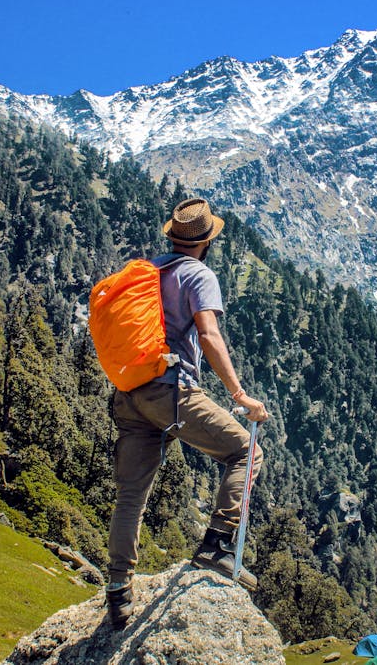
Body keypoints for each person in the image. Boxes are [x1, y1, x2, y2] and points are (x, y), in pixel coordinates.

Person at [105, 197, 268, 630]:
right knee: (245, 453)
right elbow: (209, 335)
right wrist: (240, 395)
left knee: (130, 497)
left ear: (173, 236)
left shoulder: (151, 271)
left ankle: (118, 592)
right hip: (171, 392)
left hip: (131, 393)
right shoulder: (199, 274)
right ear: (206, 241)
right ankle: (216, 546)